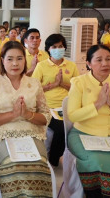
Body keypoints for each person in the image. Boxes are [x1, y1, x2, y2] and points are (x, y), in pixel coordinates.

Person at [0, 41, 52, 197]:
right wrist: (13, 114)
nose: (15, 63)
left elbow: (45, 117)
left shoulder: (34, 83)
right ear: (2, 61)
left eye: (19, 58)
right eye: (10, 59)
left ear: (25, 61)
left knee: (38, 164)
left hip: (31, 134)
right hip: (2, 135)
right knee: (13, 164)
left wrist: (27, 115)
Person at [67, 45, 110, 197]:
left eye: (108, 59)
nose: (105, 64)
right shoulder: (79, 83)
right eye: (98, 60)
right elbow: (73, 115)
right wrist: (98, 104)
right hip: (82, 135)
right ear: (88, 63)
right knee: (95, 160)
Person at [32, 34, 79, 166]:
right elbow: (34, 88)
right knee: (60, 128)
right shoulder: (41, 66)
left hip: (67, 106)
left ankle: (57, 157)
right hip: (47, 106)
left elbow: (77, 88)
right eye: (54, 47)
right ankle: (53, 159)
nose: (58, 49)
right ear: (48, 49)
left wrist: (62, 83)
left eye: (60, 46)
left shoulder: (71, 66)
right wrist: (53, 85)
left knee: (72, 127)